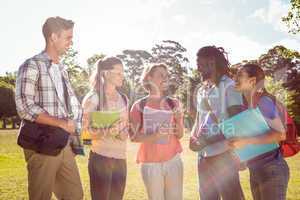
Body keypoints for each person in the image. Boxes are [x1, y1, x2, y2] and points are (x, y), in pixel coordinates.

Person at [15, 16, 84, 200]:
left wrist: (74, 138)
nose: (71, 42)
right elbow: (25, 107)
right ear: (53, 37)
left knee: (75, 195)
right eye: (68, 37)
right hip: (41, 143)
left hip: (64, 144)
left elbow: (69, 107)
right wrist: (61, 123)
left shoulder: (62, 69)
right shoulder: (31, 65)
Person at [189, 46, 245, 200]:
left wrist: (206, 141)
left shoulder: (230, 86)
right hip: (203, 157)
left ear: (211, 62)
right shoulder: (202, 89)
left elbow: (236, 124)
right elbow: (200, 118)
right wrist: (193, 138)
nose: (198, 68)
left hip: (224, 156)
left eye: (199, 63)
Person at [229, 63, 290, 200]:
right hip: (256, 169)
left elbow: (280, 134)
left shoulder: (264, 101)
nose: (235, 78)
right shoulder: (247, 105)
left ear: (252, 81)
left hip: (272, 169)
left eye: (240, 75)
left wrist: (246, 141)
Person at [129, 63, 184, 200]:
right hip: (150, 164)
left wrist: (178, 120)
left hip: (173, 161)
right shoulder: (139, 106)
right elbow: (134, 136)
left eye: (167, 76)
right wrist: (156, 136)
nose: (165, 79)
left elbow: (180, 134)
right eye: (161, 75)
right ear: (149, 78)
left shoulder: (174, 103)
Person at [82, 57, 129, 200]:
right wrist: (108, 131)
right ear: (106, 74)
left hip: (121, 159)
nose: (123, 76)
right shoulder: (93, 98)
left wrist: (123, 132)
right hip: (101, 159)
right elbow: (84, 134)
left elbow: (125, 128)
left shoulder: (124, 98)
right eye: (119, 73)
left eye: (123, 72)